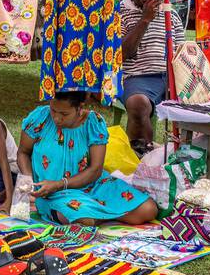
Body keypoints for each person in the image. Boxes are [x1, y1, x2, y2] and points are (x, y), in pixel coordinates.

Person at [17, 90, 158, 227]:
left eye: (64, 114)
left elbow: (95, 170)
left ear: (80, 107)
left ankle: (96, 216)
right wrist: (29, 181)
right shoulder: (40, 118)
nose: (57, 118)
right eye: (53, 110)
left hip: (92, 185)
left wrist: (60, 183)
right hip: (53, 193)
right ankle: (96, 215)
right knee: (83, 218)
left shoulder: (93, 123)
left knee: (148, 209)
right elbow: (23, 152)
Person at [119, 0, 175, 153]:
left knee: (206, 100)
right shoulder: (120, 13)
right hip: (137, 77)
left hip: (170, 76)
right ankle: (144, 154)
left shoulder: (171, 14)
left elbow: (181, 52)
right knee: (138, 104)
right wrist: (144, 19)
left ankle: (185, 152)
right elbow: (122, 54)